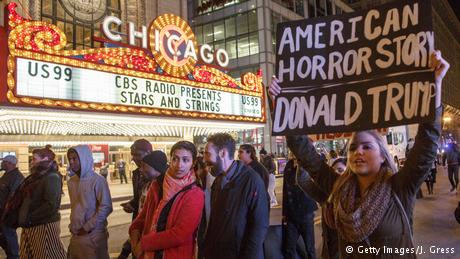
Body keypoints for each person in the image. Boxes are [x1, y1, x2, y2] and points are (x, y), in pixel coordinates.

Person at [269, 51, 448, 258]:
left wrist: (435, 85)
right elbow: (304, 152)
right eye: (353, 147)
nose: (358, 152)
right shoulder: (337, 187)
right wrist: (281, 105)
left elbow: (426, 146)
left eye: (366, 147)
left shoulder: (400, 187)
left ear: (383, 155)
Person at [129, 141, 204, 259]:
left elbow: (179, 234)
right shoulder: (157, 184)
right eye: (175, 159)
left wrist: (144, 243)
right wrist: (134, 236)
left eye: (185, 160)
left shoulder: (195, 193)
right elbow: (142, 218)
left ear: (193, 163)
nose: (179, 165)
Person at [203, 133, 269, 259]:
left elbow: (259, 227)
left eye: (208, 154)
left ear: (222, 153)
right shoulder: (218, 180)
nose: (204, 159)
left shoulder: (252, 180)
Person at [7, 147, 67, 258]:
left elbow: (51, 205)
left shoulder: (51, 176)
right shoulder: (35, 177)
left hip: (43, 225)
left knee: (47, 255)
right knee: (29, 255)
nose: (32, 162)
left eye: (34, 159)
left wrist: (29, 218)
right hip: (30, 225)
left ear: (45, 158)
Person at [67, 145, 113, 259]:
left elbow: (106, 206)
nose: (71, 162)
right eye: (70, 159)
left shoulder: (98, 180)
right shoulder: (72, 182)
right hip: (76, 234)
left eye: (75, 158)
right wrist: (73, 225)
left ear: (84, 158)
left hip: (93, 236)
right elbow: (76, 206)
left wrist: (87, 226)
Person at [119, 139, 153, 259]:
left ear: (149, 153)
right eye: (132, 155)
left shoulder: (161, 174)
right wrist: (132, 204)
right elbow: (139, 198)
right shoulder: (136, 174)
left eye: (137, 154)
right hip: (138, 224)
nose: (133, 158)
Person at [282, 156, 318, 259]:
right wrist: (284, 212)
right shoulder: (289, 164)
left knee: (309, 247)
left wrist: (301, 166)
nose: (292, 152)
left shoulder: (307, 163)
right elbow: (285, 189)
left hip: (305, 212)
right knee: (288, 247)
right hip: (291, 213)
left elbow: (313, 182)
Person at [0, 156, 24, 259]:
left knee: (9, 235)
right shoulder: (6, 175)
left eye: (3, 162)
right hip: (1, 211)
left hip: (8, 213)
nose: (1, 164)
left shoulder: (16, 177)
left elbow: (13, 197)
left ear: (10, 163)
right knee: (3, 236)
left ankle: (14, 256)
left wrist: (6, 213)